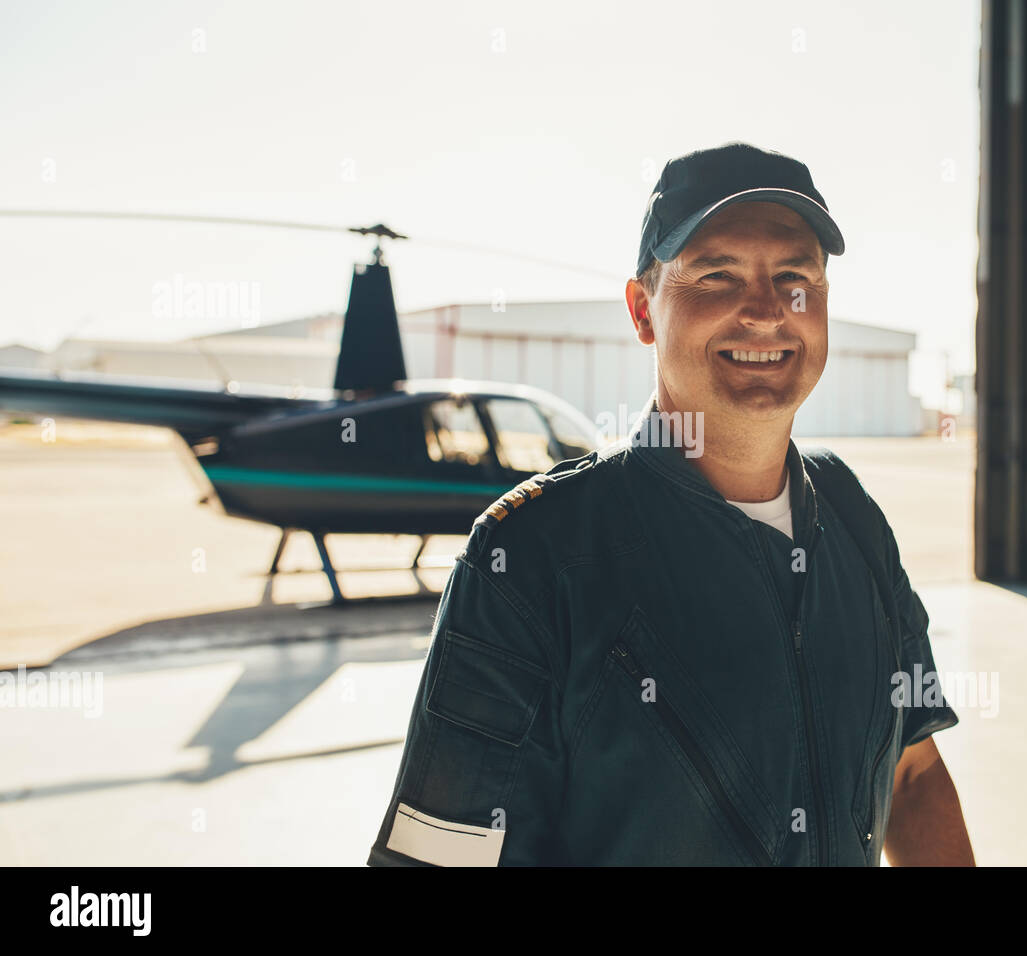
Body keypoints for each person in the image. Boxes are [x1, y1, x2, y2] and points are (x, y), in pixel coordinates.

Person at [367, 141, 973, 865]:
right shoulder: (530, 559)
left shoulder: (852, 516)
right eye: (717, 275)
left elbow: (915, 772)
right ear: (643, 310)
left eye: (795, 277)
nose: (766, 311)